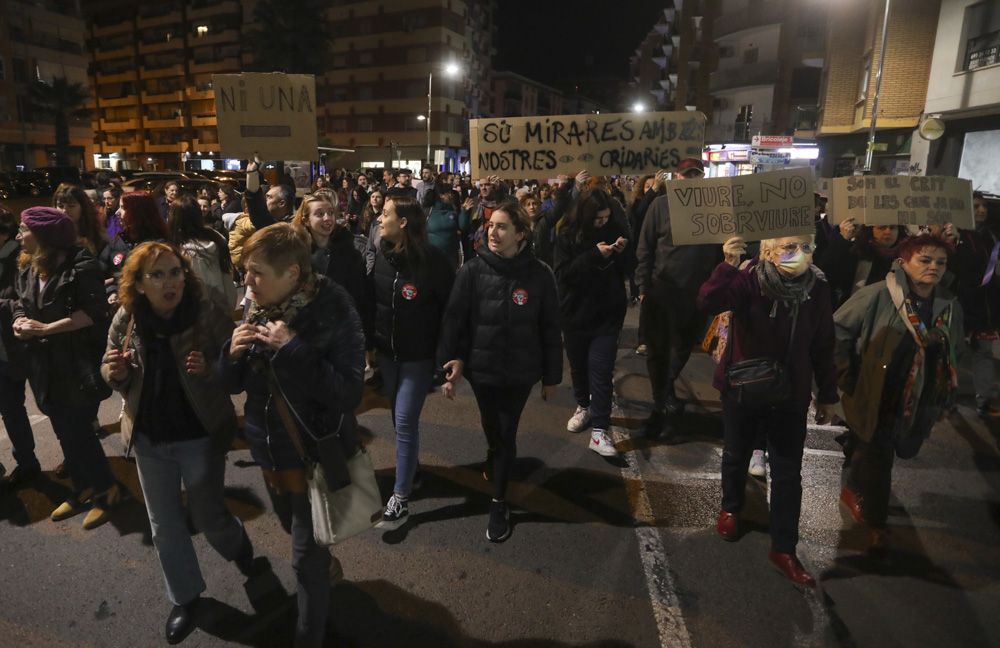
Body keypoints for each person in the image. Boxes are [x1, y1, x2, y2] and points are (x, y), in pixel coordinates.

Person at [220, 223, 365, 648]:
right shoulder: (257, 306)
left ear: (294, 275)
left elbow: (349, 392)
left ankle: (308, 635)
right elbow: (232, 382)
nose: (247, 281)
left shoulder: (335, 308)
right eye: (246, 271)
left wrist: (294, 347)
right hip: (268, 451)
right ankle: (321, 565)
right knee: (293, 530)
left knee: (303, 561)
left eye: (257, 272)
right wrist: (230, 356)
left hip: (312, 455)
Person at [102, 242, 255, 644]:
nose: (170, 282)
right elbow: (109, 364)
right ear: (138, 283)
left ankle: (236, 541)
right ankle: (186, 598)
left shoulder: (203, 312)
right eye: (157, 275)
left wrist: (212, 367)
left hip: (199, 435)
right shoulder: (129, 318)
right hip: (150, 438)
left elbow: (235, 360)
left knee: (208, 517)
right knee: (164, 525)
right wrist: (115, 372)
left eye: (175, 272)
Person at [698, 233, 838, 587]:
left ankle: (784, 547)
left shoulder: (817, 289)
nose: (800, 255)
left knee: (789, 472)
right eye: (790, 248)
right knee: (736, 453)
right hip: (744, 387)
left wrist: (827, 394)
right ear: (767, 253)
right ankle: (732, 507)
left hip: (791, 395)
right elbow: (709, 300)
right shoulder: (748, 279)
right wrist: (728, 263)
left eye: (806, 248)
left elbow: (823, 342)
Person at [438, 201, 562, 542]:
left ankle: (499, 501)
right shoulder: (472, 271)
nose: (493, 231)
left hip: (520, 373)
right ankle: (496, 457)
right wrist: (453, 361)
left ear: (521, 234)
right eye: (491, 225)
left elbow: (551, 328)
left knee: (507, 432)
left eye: (502, 226)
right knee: (492, 429)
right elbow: (455, 321)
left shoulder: (540, 274)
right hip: (483, 371)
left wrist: (552, 377)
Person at [834, 234, 961, 554]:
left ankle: (852, 488)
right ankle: (877, 524)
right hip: (876, 391)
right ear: (904, 263)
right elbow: (837, 330)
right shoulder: (879, 294)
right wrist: (845, 377)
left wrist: (945, 393)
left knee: (878, 448)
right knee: (879, 454)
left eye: (940, 262)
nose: (934, 268)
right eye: (925, 260)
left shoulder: (949, 306)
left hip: (918, 396)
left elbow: (954, 350)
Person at [13, 207, 121, 529]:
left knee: (79, 431)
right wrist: (20, 320)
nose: (19, 235)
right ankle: (82, 486)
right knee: (62, 430)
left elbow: (94, 311)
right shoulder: (29, 266)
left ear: (44, 236)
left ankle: (107, 490)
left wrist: (46, 329)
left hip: (76, 362)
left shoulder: (80, 263)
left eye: (23, 230)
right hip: (43, 364)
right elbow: (21, 301)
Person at [371, 196, 455, 528]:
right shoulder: (379, 253)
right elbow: (373, 301)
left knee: (405, 422)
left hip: (418, 358)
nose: (379, 218)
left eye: (386, 213)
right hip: (387, 355)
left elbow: (450, 312)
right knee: (398, 417)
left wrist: (446, 358)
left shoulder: (434, 262)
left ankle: (401, 497)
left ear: (403, 221)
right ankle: (413, 470)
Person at [636, 158, 720, 437]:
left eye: (697, 174)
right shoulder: (660, 206)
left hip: (698, 293)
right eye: (687, 175)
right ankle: (662, 403)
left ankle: (664, 394)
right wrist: (642, 287)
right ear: (677, 177)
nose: (692, 179)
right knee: (657, 350)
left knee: (682, 347)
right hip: (663, 291)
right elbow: (645, 247)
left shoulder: (715, 208)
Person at [554, 189, 635, 456]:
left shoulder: (614, 229)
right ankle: (583, 406)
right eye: (598, 218)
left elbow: (628, 269)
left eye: (606, 217)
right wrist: (593, 256)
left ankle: (600, 431)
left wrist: (621, 252)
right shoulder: (567, 235)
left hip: (607, 315)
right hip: (575, 314)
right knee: (578, 367)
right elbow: (563, 274)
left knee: (601, 371)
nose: (602, 222)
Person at [292, 193, 371, 341]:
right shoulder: (296, 254)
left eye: (330, 213)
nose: (328, 218)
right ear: (306, 220)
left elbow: (360, 297)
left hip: (342, 335)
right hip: (305, 334)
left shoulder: (350, 253)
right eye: (320, 214)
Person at [0, 207, 40, 489]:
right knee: (10, 408)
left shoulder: (18, 259)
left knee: (14, 408)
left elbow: (20, 300)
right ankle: (24, 463)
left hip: (14, 346)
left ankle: (28, 464)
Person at [952, 192, 1000, 418]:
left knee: (984, 353)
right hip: (960, 304)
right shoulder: (956, 235)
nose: (982, 210)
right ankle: (945, 398)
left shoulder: (991, 235)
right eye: (976, 206)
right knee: (953, 352)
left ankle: (984, 398)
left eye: (984, 206)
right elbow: (957, 269)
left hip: (985, 308)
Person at [815, 221, 909, 309]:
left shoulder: (908, 256)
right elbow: (828, 273)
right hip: (858, 312)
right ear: (870, 229)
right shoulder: (857, 252)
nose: (888, 232)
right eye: (881, 227)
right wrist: (842, 240)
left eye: (893, 228)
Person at [168, 196, 236, 312]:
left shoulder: (181, 252)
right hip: (221, 313)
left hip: (195, 320)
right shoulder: (216, 239)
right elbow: (227, 278)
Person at [101, 192, 169, 305]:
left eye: (123, 208)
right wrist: (112, 291)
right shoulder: (119, 240)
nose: (117, 212)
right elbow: (104, 271)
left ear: (138, 213)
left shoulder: (158, 247)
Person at [424, 181, 471, 270]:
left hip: (451, 257)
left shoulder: (454, 210)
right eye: (449, 193)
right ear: (441, 195)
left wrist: (465, 211)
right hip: (431, 257)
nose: (451, 195)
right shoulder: (428, 211)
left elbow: (462, 227)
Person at [54, 183, 106, 258]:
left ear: (83, 208)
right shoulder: (51, 235)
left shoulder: (98, 235)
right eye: (60, 206)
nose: (64, 211)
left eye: (71, 206)